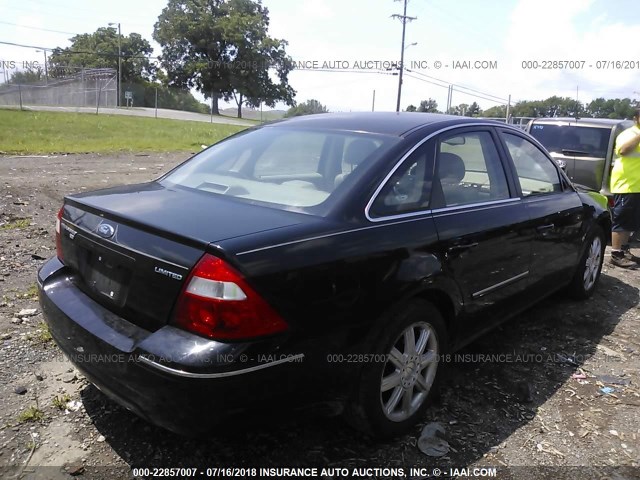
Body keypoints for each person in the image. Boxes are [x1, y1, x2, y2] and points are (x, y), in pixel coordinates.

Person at [610, 108, 640, 267]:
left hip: (637, 186)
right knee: (621, 221)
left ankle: (624, 250)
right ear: (636, 118)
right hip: (626, 185)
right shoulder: (629, 134)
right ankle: (615, 254)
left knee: (631, 222)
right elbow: (623, 150)